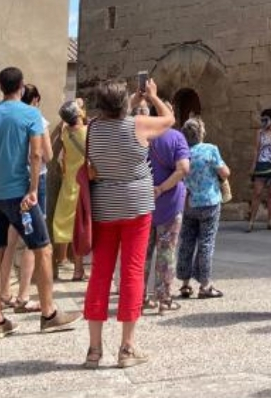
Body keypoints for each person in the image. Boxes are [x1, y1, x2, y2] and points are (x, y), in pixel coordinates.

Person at [0, 67, 82, 340]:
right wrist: (32, 189)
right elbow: (36, 154)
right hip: (20, 197)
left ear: (1, 86)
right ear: (20, 86)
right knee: (42, 249)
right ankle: (49, 313)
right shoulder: (30, 114)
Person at [83, 78, 175, 368]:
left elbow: (110, 116)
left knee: (100, 273)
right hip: (136, 205)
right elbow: (169, 120)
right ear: (124, 104)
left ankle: (94, 350)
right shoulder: (138, 125)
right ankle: (127, 347)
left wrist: (130, 102)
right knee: (132, 272)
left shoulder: (93, 128)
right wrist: (154, 96)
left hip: (104, 207)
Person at [0, 84, 53, 313]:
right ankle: (23, 296)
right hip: (34, 184)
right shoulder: (36, 118)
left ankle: (3, 292)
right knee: (34, 240)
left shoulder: (7, 117)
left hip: (11, 184)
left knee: (10, 241)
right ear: (37, 99)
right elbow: (46, 155)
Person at [143, 105, 190, 313]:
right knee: (166, 252)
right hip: (169, 203)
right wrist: (161, 188)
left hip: (141, 203)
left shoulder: (140, 136)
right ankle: (163, 299)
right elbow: (183, 168)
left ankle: (139, 298)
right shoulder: (176, 137)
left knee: (141, 254)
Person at [177, 118, 229, 299]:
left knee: (187, 242)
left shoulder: (183, 154)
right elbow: (224, 172)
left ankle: (184, 284)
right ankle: (205, 285)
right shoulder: (210, 149)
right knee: (206, 242)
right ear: (201, 132)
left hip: (189, 202)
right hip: (209, 202)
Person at [51, 100, 88, 281]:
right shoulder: (88, 133)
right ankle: (78, 268)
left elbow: (62, 125)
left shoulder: (65, 133)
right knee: (81, 227)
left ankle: (61, 260)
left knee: (65, 222)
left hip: (69, 182)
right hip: (84, 184)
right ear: (79, 114)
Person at [248, 108, 271, 232]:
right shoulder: (260, 132)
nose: (264, 122)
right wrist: (253, 165)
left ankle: (270, 221)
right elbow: (257, 149)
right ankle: (251, 221)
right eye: (262, 120)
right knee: (257, 193)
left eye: (266, 120)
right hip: (262, 164)